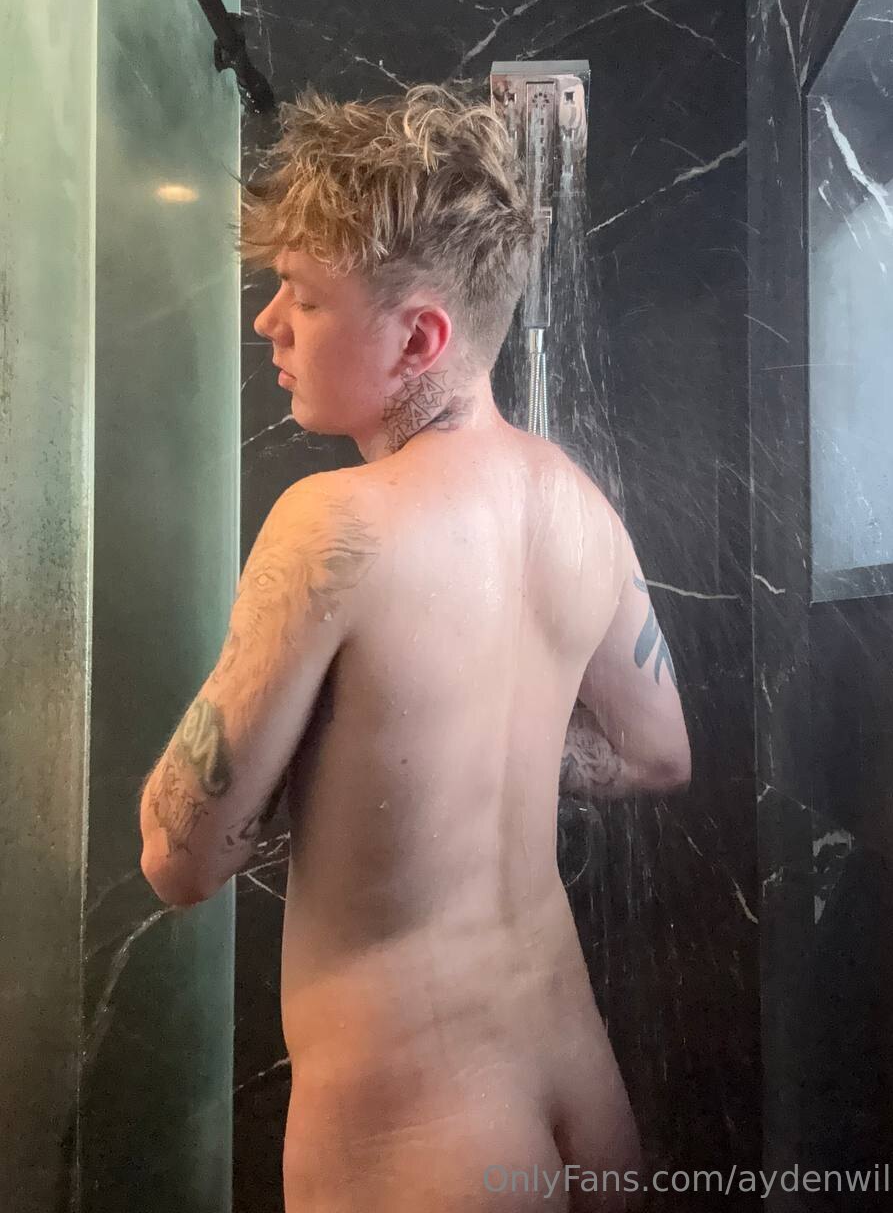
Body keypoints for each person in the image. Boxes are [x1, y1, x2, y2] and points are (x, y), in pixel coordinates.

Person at [138, 82, 691, 1212]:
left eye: (302, 295)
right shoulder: (578, 505)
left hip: (420, 1149)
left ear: (419, 337)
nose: (268, 323)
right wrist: (465, 749)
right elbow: (656, 754)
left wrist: (315, 770)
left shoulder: (334, 525)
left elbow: (175, 857)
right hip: (586, 1106)